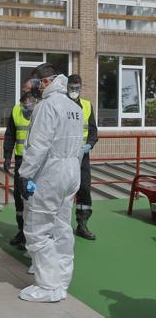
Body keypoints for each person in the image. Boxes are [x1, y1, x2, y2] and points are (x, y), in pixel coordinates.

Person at [18, 63, 84, 303]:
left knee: (37, 230)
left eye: (35, 82)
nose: (32, 87)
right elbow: (78, 144)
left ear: (45, 81)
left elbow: (39, 146)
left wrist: (25, 175)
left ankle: (48, 286)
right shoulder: (73, 106)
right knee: (62, 227)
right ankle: (61, 280)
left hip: (50, 173)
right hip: (71, 171)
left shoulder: (47, 106)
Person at [3, 87, 37, 250]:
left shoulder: (42, 112)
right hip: (20, 160)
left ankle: (32, 235)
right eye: (24, 106)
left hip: (37, 164)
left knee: (32, 197)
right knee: (18, 195)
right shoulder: (17, 110)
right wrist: (7, 156)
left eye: (29, 106)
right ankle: (22, 231)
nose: (26, 109)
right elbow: (10, 134)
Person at [67, 74, 99, 240]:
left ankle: (82, 224)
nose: (74, 91)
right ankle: (58, 226)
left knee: (84, 189)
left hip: (82, 156)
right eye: (71, 88)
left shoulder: (86, 105)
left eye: (76, 88)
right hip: (64, 155)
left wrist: (90, 145)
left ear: (81, 87)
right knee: (61, 188)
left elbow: (93, 131)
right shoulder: (61, 104)